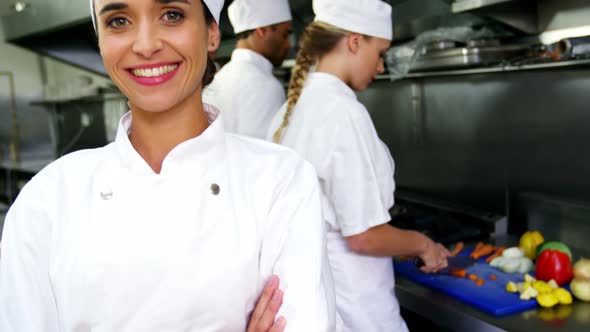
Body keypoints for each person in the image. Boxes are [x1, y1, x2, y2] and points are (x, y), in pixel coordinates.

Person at [0, 0, 335, 331]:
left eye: (172, 15)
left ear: (212, 33)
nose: (145, 45)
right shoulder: (47, 200)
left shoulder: (281, 181)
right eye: (118, 21)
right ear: (100, 40)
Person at [267, 0, 451, 331]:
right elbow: (363, 236)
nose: (381, 66)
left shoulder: (288, 111)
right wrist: (424, 244)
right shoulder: (343, 113)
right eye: (380, 52)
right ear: (354, 41)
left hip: (321, 308)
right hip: (358, 312)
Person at [203, 0, 292, 139]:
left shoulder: (219, 78)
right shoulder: (265, 86)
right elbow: (263, 156)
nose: (288, 45)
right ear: (262, 30)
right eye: (285, 35)